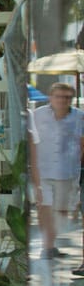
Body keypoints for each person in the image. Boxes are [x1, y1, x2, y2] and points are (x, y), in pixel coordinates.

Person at [28, 82, 84, 265]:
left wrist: (77, 162)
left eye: (67, 97)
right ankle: (47, 246)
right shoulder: (38, 115)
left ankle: (51, 242)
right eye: (58, 96)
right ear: (51, 97)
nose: (62, 100)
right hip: (44, 170)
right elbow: (32, 142)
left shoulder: (79, 117)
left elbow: (81, 142)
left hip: (67, 172)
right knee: (45, 207)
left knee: (61, 211)